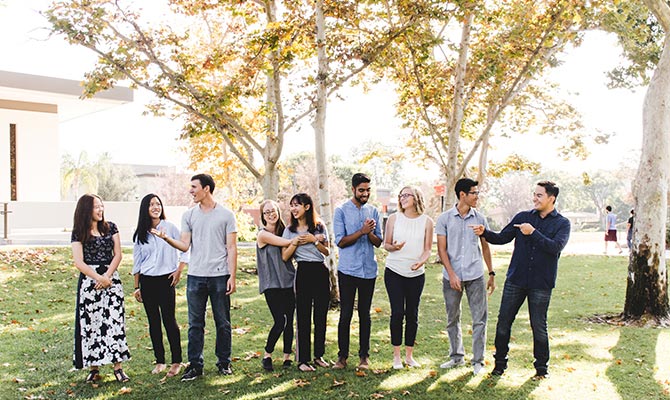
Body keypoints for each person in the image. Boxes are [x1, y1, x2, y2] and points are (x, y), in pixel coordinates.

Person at [471, 181, 570, 380]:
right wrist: (485, 233)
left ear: (551, 198)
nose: (535, 198)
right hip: (516, 279)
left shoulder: (562, 223)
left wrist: (532, 232)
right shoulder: (523, 217)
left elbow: (555, 247)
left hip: (541, 283)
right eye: (534, 194)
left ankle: (541, 369)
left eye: (539, 195)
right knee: (503, 323)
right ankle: (499, 365)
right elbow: (502, 238)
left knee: (538, 325)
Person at [156, 173, 238, 381]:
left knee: (223, 323)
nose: (190, 191)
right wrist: (167, 239)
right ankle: (195, 365)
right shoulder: (189, 215)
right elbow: (185, 245)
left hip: (220, 276)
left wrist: (232, 276)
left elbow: (231, 247)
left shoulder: (226, 215)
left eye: (194, 187)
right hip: (195, 276)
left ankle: (224, 363)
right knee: (195, 324)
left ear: (206, 189)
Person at [436, 178, 494, 375]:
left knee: (479, 319)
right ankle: (456, 357)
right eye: (474, 193)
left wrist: (491, 273)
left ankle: (478, 361)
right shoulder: (444, 219)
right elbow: (442, 250)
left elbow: (486, 247)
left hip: (475, 275)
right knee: (453, 318)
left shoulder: (480, 218)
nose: (477, 196)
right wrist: (452, 274)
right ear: (462, 195)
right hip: (451, 276)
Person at [71, 194, 131, 383]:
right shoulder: (78, 232)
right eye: (96, 207)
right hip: (90, 282)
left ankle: (118, 367)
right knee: (91, 324)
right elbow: (78, 261)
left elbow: (118, 254)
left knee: (114, 321)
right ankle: (94, 367)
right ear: (86, 209)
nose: (100, 210)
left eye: (101, 206)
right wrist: (97, 277)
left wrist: (107, 276)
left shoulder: (110, 227)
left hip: (111, 279)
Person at [132, 193, 187, 378]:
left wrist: (179, 270)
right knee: (153, 323)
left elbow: (185, 249)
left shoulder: (170, 227)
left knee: (169, 321)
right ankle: (160, 361)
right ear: (145, 209)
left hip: (166, 280)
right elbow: (137, 261)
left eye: (158, 204)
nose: (156, 207)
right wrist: (136, 286)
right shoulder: (140, 233)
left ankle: (177, 361)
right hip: (147, 281)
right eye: (151, 204)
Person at [332, 173, 383, 370]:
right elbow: (341, 242)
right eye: (361, 190)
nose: (365, 193)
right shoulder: (341, 211)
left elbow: (379, 242)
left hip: (368, 270)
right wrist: (361, 231)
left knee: (365, 314)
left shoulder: (373, 211)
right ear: (352, 189)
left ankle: (364, 357)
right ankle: (342, 357)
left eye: (368, 190)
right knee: (345, 314)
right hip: (348, 270)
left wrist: (369, 232)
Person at [383, 186, 434, 369]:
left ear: (416, 198)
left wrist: (421, 262)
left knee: (412, 314)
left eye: (407, 195)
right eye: (401, 195)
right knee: (397, 313)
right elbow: (386, 244)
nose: (403, 198)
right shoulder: (393, 218)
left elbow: (428, 249)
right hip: (394, 271)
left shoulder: (427, 221)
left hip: (416, 274)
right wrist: (393, 247)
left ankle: (409, 356)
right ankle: (396, 357)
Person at [281, 193, 330, 372]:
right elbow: (285, 256)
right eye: (291, 205)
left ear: (307, 207)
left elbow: (327, 251)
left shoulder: (319, 226)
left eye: (297, 205)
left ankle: (318, 356)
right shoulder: (289, 230)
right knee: (302, 316)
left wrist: (314, 240)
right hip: (302, 272)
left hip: (320, 271)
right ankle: (302, 360)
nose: (293, 209)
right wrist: (295, 243)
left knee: (320, 316)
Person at [256, 199, 297, 372]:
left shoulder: (286, 231)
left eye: (273, 210)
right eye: (267, 212)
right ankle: (267, 355)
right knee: (280, 320)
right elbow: (284, 243)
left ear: (278, 212)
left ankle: (287, 357)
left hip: (288, 280)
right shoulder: (262, 234)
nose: (271, 214)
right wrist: (298, 239)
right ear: (263, 216)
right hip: (271, 283)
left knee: (289, 321)